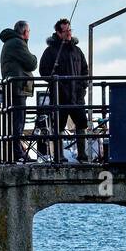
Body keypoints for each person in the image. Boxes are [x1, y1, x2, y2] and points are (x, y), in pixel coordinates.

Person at [38, 17, 90, 162]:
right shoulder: (50, 51)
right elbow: (43, 70)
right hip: (60, 95)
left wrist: (83, 86)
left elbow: (85, 70)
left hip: (77, 95)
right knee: (59, 126)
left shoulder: (77, 51)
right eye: (65, 30)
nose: (68, 33)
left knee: (81, 123)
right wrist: (55, 80)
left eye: (69, 30)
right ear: (58, 33)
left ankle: (82, 155)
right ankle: (59, 156)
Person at [0, 20, 38, 162]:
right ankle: (17, 153)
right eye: (29, 31)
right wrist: (33, 56)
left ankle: (16, 151)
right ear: (25, 32)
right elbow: (32, 63)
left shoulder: (11, 42)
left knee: (15, 121)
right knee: (18, 121)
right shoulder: (17, 43)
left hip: (15, 87)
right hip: (18, 88)